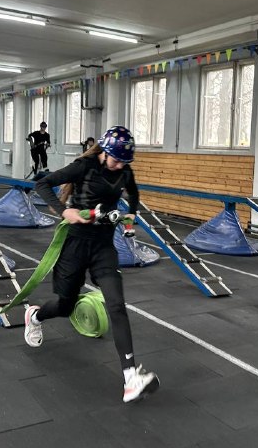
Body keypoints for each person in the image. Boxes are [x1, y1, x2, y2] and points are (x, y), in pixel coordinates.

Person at [25, 125, 159, 403]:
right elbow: (42, 184)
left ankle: (131, 378)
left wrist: (132, 216)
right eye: (116, 160)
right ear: (105, 153)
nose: (120, 165)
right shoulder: (84, 167)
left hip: (103, 247)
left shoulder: (125, 171)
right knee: (65, 306)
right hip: (75, 245)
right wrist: (65, 211)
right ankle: (35, 317)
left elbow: (133, 194)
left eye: (124, 161)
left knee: (117, 304)